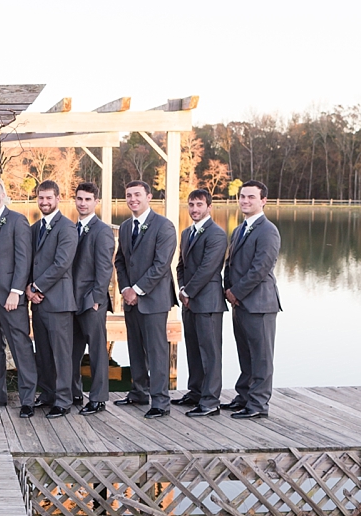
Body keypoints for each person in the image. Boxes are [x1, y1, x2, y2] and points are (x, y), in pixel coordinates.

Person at [113, 180, 178, 419]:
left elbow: (161, 265)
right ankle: (138, 392)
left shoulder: (164, 226)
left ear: (149, 196)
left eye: (138, 195)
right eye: (129, 195)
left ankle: (160, 401)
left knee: (157, 351)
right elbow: (120, 261)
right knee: (135, 349)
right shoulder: (126, 226)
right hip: (131, 299)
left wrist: (137, 289)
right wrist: (126, 288)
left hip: (153, 300)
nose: (133, 199)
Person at [223, 180, 282, 419]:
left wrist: (236, 292)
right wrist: (228, 290)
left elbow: (260, 268)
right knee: (245, 354)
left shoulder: (268, 231)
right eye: (242, 197)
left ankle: (258, 404)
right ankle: (244, 396)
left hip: (259, 304)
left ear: (263, 201)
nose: (245, 201)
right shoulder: (239, 229)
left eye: (251, 197)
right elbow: (231, 264)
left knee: (261, 356)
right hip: (240, 302)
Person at [0, 180, 38, 415]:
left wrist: (17, 291)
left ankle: (28, 400)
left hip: (11, 295)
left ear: (3, 195)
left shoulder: (17, 220)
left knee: (20, 346)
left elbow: (24, 259)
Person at [173, 189, 228, 417]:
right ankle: (195, 392)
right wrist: (182, 289)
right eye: (191, 205)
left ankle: (210, 401)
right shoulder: (186, 233)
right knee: (194, 350)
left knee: (210, 353)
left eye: (199, 205)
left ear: (209, 207)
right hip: (190, 302)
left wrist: (189, 292)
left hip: (208, 303)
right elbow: (181, 265)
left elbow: (209, 268)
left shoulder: (217, 234)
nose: (195, 209)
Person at [26, 180, 78, 419]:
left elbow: (62, 263)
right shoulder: (35, 228)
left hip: (59, 302)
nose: (44, 202)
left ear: (58, 198)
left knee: (61, 353)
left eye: (49, 198)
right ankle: (47, 394)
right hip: (38, 303)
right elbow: (31, 262)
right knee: (44, 352)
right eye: (41, 198)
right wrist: (28, 289)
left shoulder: (67, 227)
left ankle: (64, 399)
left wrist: (37, 286)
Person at [70, 183, 115, 416]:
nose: (83, 203)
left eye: (87, 199)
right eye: (79, 199)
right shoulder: (72, 227)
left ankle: (98, 398)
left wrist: (97, 298)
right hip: (71, 300)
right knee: (72, 351)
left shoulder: (102, 230)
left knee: (96, 351)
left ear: (96, 202)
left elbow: (105, 267)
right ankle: (74, 393)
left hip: (91, 300)